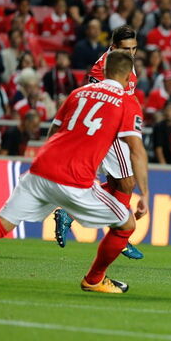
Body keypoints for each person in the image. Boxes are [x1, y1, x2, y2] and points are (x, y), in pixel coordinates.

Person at [0, 51, 149, 294]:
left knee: (0, 224)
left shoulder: (77, 93)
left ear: (104, 72)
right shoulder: (128, 103)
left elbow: (53, 132)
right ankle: (94, 279)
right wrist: (145, 194)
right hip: (75, 180)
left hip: (40, 170)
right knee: (126, 224)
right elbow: (136, 152)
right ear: (129, 77)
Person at [54, 25, 144, 260]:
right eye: (127, 49)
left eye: (134, 48)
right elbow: (99, 101)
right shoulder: (101, 68)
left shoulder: (124, 60)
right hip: (110, 130)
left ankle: (72, 214)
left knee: (119, 185)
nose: (132, 53)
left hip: (119, 127)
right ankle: (119, 235)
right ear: (113, 47)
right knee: (127, 183)